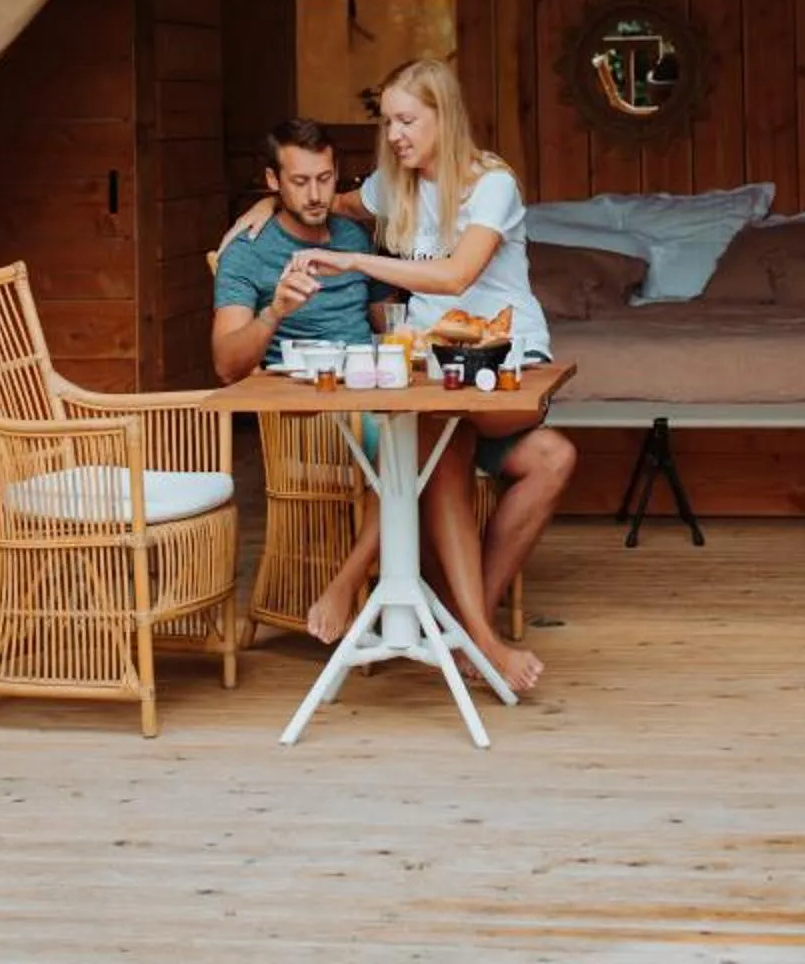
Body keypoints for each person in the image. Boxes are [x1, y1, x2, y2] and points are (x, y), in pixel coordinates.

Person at [233, 57, 575, 694]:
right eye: (388, 120)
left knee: (440, 426)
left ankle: (457, 622)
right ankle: (477, 633)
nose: (393, 134)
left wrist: (360, 258)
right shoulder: (394, 187)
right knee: (546, 457)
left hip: (507, 364)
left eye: (407, 120)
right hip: (434, 372)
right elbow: (318, 199)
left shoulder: (490, 185)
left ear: (444, 116)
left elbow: (454, 277)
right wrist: (263, 201)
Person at [210, 119, 378, 384]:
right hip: (301, 408)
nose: (315, 195)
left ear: (336, 172)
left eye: (324, 179)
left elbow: (390, 327)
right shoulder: (248, 251)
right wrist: (274, 312)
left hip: (369, 389)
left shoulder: (355, 237)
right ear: (273, 180)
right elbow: (226, 367)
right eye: (300, 182)